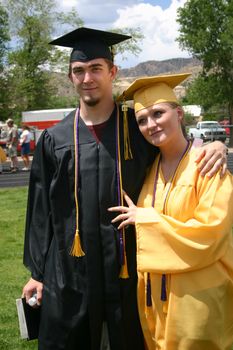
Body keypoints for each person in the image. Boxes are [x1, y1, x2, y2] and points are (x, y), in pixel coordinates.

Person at [22, 27, 228, 350]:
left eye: (96, 69)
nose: (87, 77)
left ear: (112, 72)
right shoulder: (55, 139)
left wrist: (210, 145)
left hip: (129, 273)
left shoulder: (137, 127)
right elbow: (40, 210)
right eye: (79, 71)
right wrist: (37, 272)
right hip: (71, 276)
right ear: (70, 77)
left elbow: (174, 146)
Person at [109, 73, 233, 350]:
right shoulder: (148, 169)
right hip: (155, 299)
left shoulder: (208, 167)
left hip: (197, 300)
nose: (151, 124)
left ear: (178, 113)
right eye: (142, 120)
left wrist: (146, 219)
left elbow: (210, 233)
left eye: (158, 113)